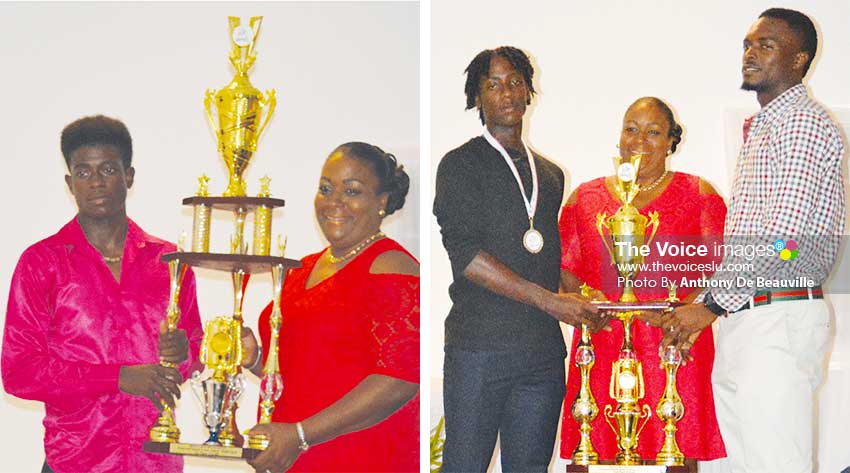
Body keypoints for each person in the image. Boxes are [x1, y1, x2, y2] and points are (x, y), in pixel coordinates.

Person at [662, 8, 845, 473]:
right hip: (750, 317)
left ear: (800, 59)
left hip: (777, 318)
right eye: (748, 44)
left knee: (776, 463)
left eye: (767, 45)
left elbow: (784, 239)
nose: (750, 53)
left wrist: (711, 305)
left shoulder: (801, 123)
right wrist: (709, 303)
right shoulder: (764, 126)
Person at [1, 115, 203, 472]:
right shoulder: (42, 263)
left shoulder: (171, 262)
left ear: (129, 176)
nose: (96, 182)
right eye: (83, 172)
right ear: (69, 182)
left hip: (154, 459)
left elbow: (196, 352)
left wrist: (185, 352)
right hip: (76, 462)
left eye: (108, 169)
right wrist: (117, 377)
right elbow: (19, 371)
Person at [433, 46, 602, 473]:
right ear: (477, 98)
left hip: (541, 356)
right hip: (479, 351)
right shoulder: (459, 166)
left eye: (514, 82)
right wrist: (551, 302)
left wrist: (580, 296)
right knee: (464, 466)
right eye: (492, 84)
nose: (505, 92)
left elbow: (546, 256)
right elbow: (467, 257)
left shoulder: (551, 174)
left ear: (529, 91)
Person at [558, 97, 727, 461]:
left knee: (672, 456)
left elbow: (724, 268)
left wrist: (686, 312)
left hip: (672, 346)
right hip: (600, 351)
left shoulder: (699, 195)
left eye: (654, 132)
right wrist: (591, 309)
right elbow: (565, 273)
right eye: (631, 129)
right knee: (597, 454)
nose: (639, 140)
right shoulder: (584, 199)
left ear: (671, 142)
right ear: (618, 137)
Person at [241, 142, 419, 473]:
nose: (334, 201)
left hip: (359, 457)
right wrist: (255, 359)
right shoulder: (302, 268)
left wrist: (299, 435)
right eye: (325, 188)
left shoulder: (392, 268)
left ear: (381, 202)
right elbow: (311, 367)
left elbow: (400, 379)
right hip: (293, 456)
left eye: (352, 191)